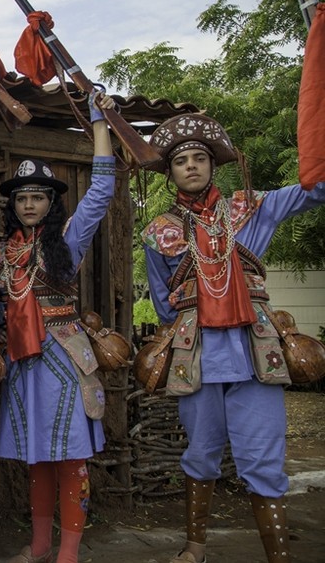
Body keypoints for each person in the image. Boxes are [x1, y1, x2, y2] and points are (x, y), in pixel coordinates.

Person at [142, 113, 325, 563]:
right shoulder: (159, 233)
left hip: (256, 354)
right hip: (197, 357)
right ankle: (194, 549)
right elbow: (165, 306)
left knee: (263, 456)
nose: (191, 165)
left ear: (213, 164)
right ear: (170, 172)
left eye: (199, 157)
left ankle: (278, 557)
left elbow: (315, 188)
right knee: (200, 453)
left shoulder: (252, 207)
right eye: (181, 160)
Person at [0, 93, 115, 563]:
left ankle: (69, 552)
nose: (29, 204)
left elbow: (101, 191)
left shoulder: (67, 240)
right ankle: (40, 545)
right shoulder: (4, 253)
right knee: (37, 457)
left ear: (51, 202)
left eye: (37, 197)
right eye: (22, 198)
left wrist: (99, 122)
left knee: (70, 456)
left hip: (62, 357)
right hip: (24, 362)